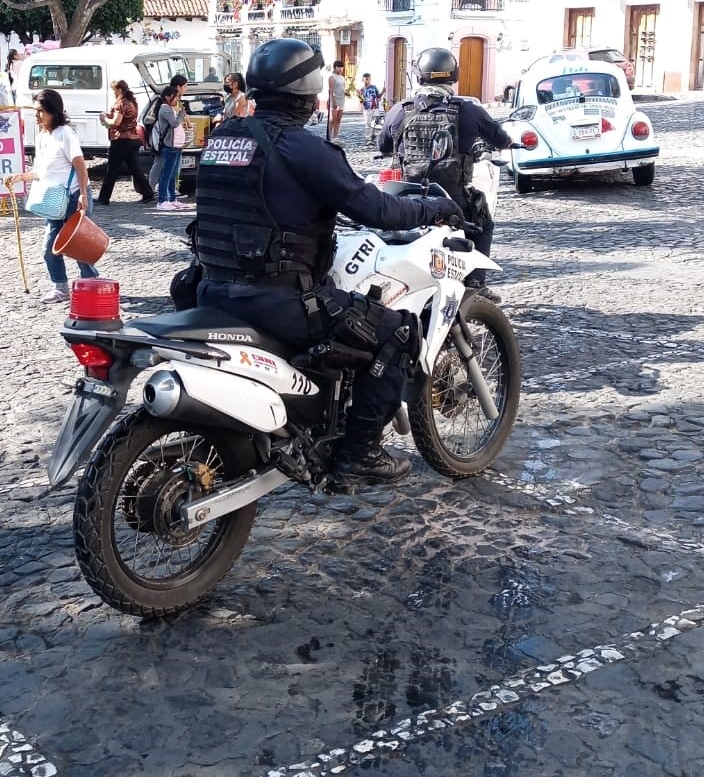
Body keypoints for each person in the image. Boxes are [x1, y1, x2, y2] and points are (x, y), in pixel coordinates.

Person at [194, 38, 460, 488]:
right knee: (397, 332)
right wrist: (433, 210)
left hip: (209, 288)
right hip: (277, 301)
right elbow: (376, 210)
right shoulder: (302, 148)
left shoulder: (222, 139)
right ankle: (360, 454)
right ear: (309, 90)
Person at [378, 47, 517, 283]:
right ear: (454, 75)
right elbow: (501, 139)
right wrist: (510, 143)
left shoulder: (400, 110)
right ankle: (475, 284)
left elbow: (383, 145)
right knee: (483, 223)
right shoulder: (468, 110)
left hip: (407, 198)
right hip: (453, 199)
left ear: (419, 75)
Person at [10, 88, 99, 303]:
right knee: (50, 247)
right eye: (36, 111)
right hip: (54, 201)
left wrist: (83, 196)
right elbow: (42, 172)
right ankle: (61, 288)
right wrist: (21, 177)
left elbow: (80, 166)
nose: (37, 115)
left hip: (73, 197)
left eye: (41, 111)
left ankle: (92, 282)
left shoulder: (65, 133)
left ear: (53, 111)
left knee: (78, 246)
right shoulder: (42, 136)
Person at [96, 79, 154, 205]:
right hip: (133, 138)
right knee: (135, 169)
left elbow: (115, 122)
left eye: (114, 90)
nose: (113, 93)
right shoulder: (132, 102)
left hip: (121, 140)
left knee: (112, 169)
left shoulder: (121, 104)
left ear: (119, 90)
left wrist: (104, 118)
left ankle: (103, 198)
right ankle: (148, 193)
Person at [154, 85, 188, 210]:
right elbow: (174, 123)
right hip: (170, 146)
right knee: (166, 174)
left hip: (177, 145)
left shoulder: (171, 108)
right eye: (175, 97)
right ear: (167, 97)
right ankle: (161, 201)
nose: (177, 100)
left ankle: (172, 199)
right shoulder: (165, 108)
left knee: (173, 174)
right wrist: (181, 114)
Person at [358, 72, 384, 145]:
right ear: (363, 80)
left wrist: (382, 92)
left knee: (376, 123)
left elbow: (378, 96)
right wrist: (359, 94)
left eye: (369, 79)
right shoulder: (362, 89)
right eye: (366, 79)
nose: (367, 81)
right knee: (368, 123)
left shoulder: (374, 87)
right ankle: (368, 138)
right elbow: (361, 100)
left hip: (375, 107)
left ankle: (374, 137)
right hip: (367, 108)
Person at [326, 59, 347, 144]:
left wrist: (346, 92)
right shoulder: (332, 77)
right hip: (334, 100)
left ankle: (335, 137)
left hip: (342, 100)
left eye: (342, 67)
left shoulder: (342, 78)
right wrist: (333, 101)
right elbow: (331, 90)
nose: (341, 69)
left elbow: (343, 88)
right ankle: (329, 136)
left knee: (338, 119)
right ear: (335, 68)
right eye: (339, 67)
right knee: (332, 119)